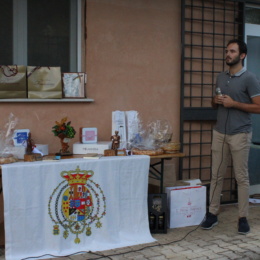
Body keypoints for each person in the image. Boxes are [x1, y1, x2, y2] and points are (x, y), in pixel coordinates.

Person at [201, 39, 260, 234]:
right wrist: (214, 100)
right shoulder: (220, 77)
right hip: (219, 133)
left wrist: (234, 104)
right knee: (216, 175)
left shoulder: (250, 78)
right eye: (227, 51)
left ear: (242, 55)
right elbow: (214, 104)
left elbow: (258, 107)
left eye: (232, 51)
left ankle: (243, 218)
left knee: (241, 177)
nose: (228, 54)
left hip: (240, 134)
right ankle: (212, 213)